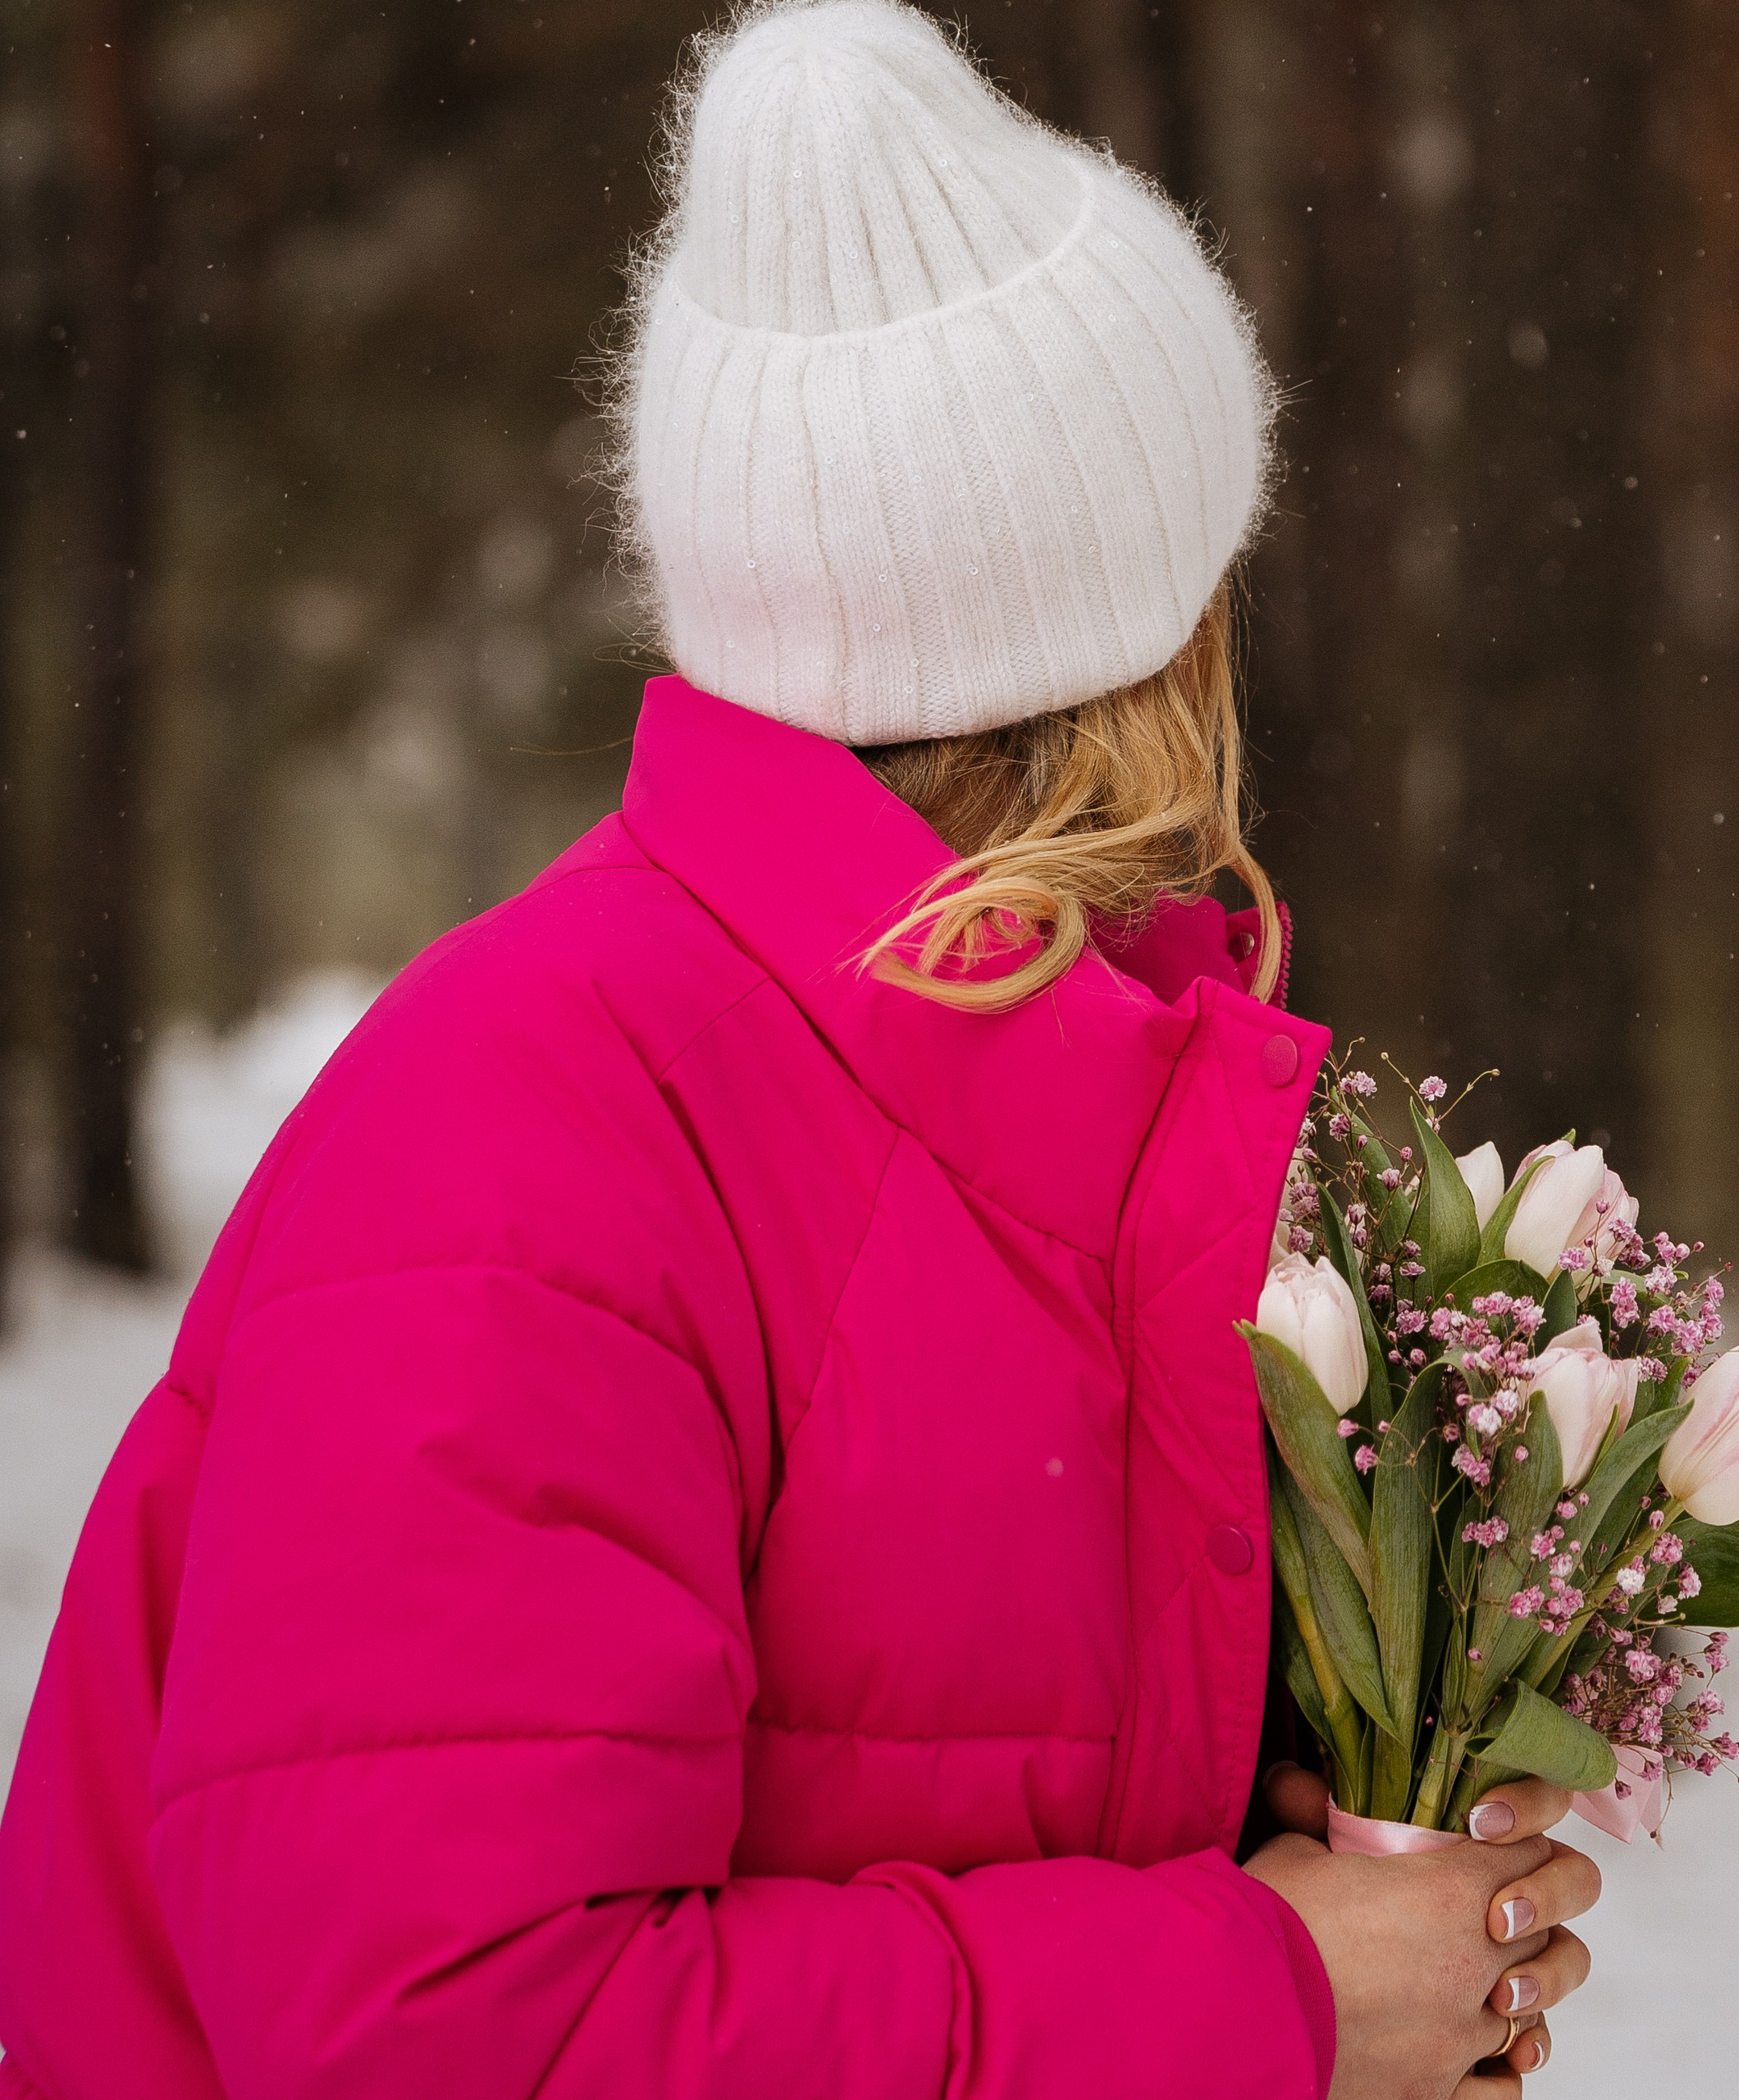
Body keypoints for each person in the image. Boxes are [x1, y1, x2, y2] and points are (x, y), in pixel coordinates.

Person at [0, 5, 1600, 2095]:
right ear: (1147, 596)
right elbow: (453, 2037)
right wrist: (1255, 1995)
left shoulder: (1086, 1105)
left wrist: (1350, 1866)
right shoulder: (530, 1127)